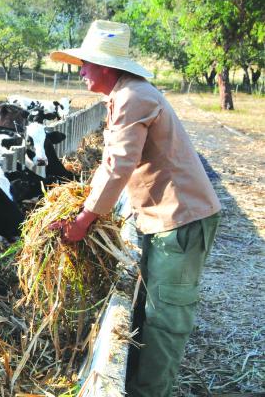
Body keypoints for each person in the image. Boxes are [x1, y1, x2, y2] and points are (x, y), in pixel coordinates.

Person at [49, 20, 221, 397]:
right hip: (162, 218)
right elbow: (111, 163)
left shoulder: (134, 97)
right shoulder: (122, 96)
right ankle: (140, 383)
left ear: (107, 68)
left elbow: (118, 167)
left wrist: (85, 219)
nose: (80, 72)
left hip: (182, 219)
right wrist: (82, 202)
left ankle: (150, 391)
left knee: (166, 316)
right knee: (148, 307)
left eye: (85, 64)